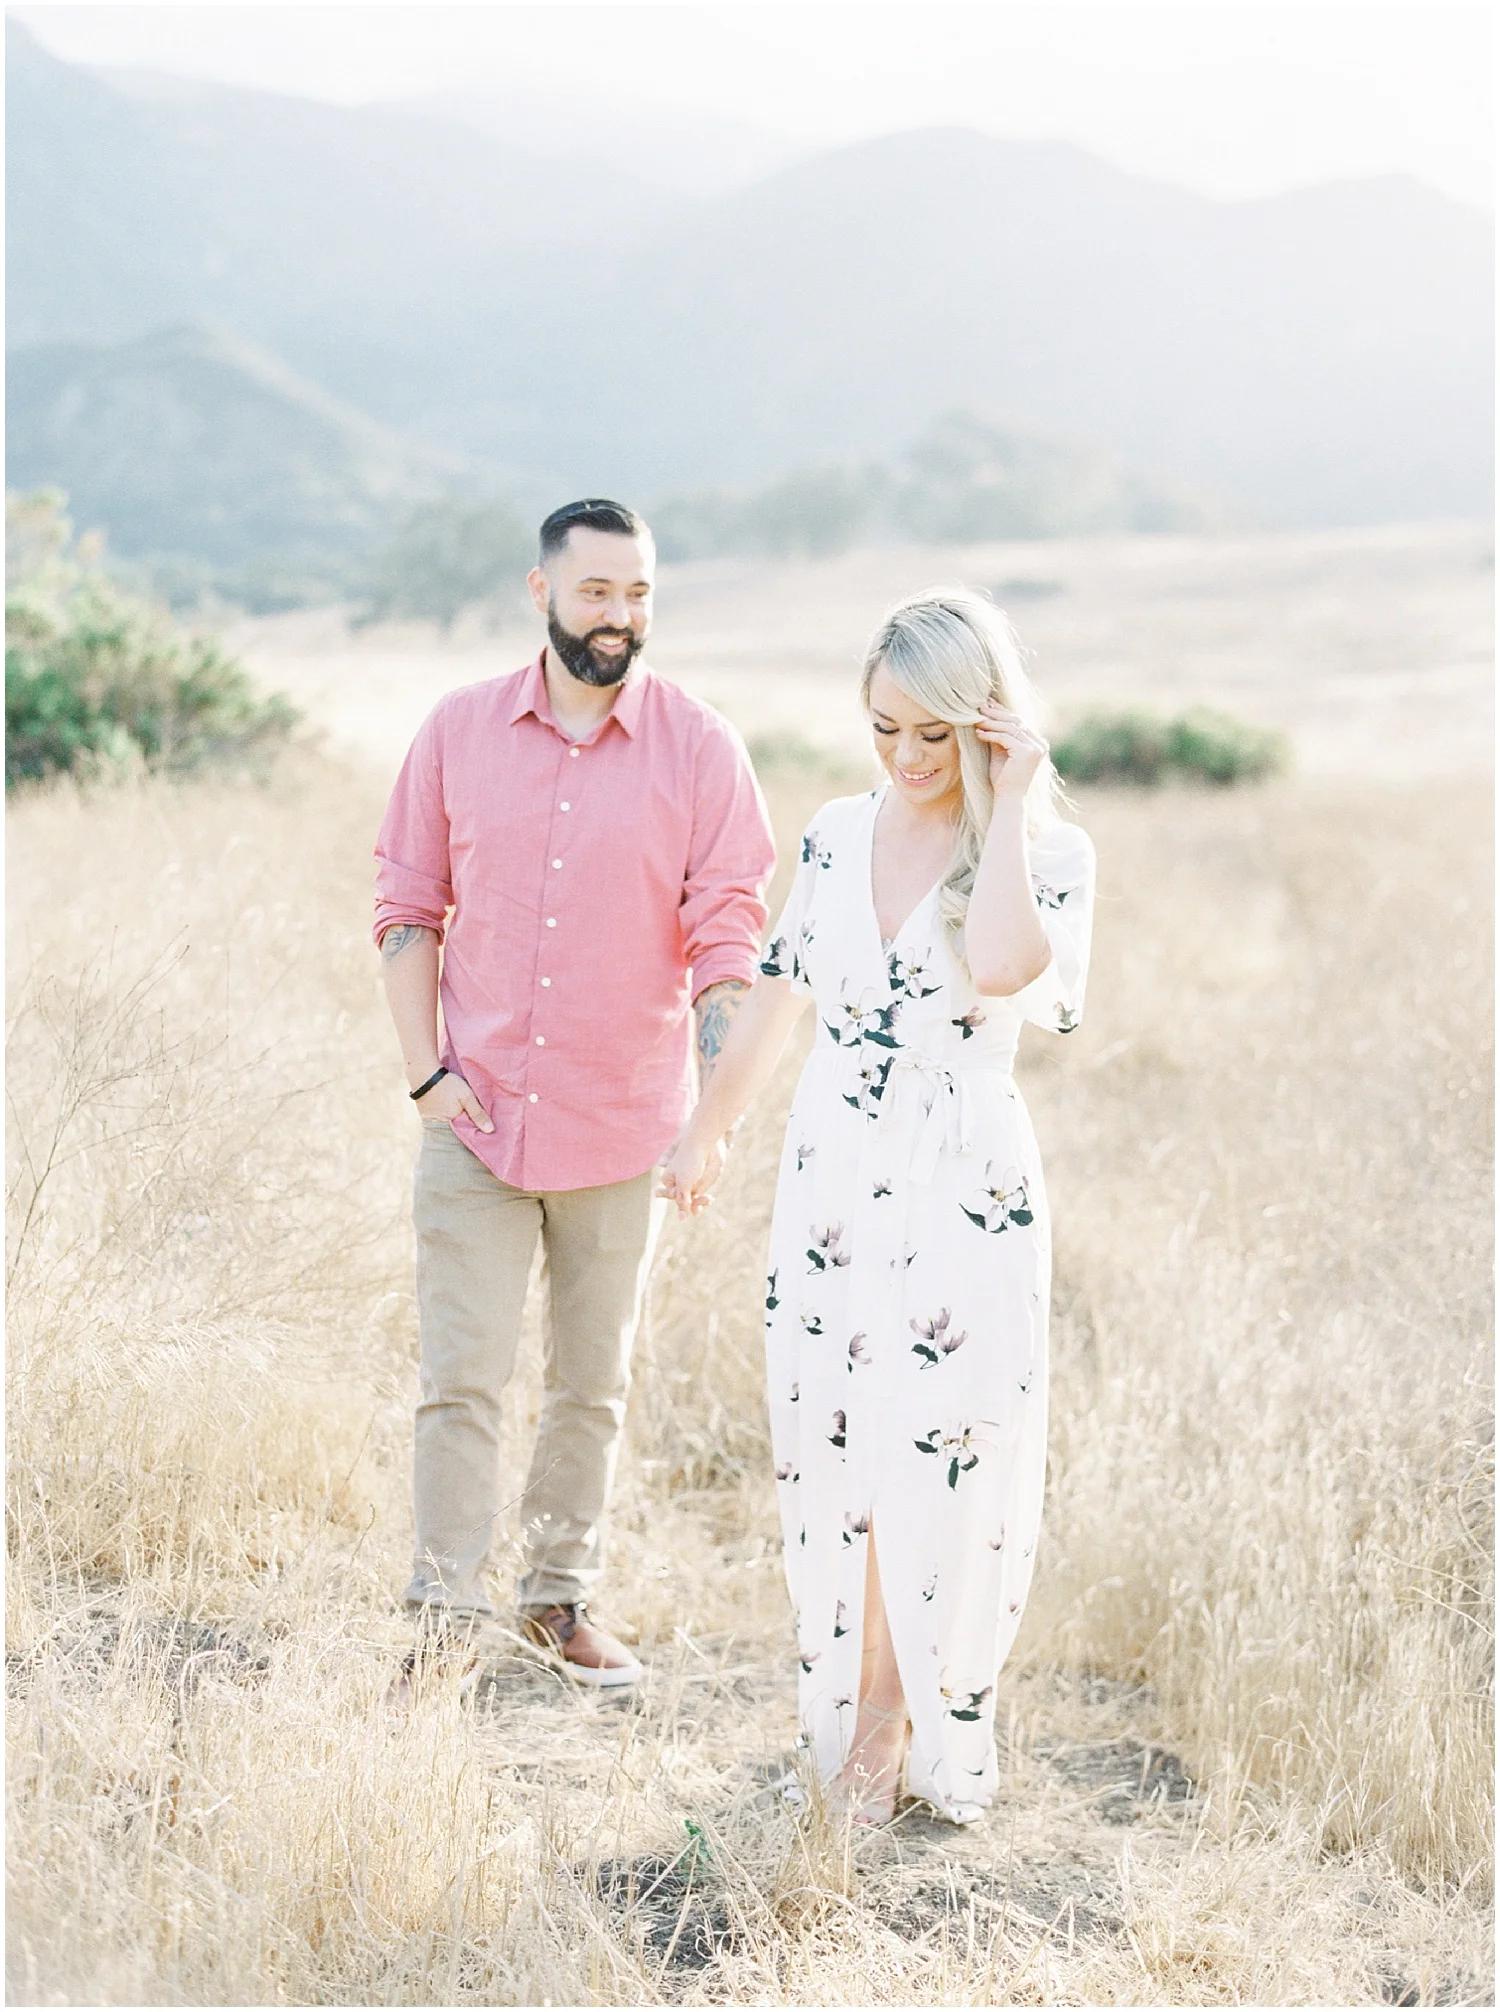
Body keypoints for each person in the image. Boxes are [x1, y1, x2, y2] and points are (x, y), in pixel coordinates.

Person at [659, 587, 1095, 1823]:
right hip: (835, 1172)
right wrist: (704, 1130)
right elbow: (772, 1005)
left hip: (966, 1179)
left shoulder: (1048, 852)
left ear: (986, 726)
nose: (906, 760)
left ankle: (892, 1733)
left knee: (938, 1449)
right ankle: (851, 1714)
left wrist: (1007, 804)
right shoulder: (837, 834)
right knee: (839, 1443)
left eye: (934, 735)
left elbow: (1008, 968)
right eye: (885, 730)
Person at [374, 498, 775, 1693]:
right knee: (462, 1380)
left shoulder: (701, 748)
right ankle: (444, 1615)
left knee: (590, 1384)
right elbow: (406, 903)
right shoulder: (456, 731)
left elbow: (728, 941)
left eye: (640, 592)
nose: (621, 616)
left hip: (619, 1126)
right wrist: (426, 1074)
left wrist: (710, 1118)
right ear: (541, 593)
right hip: (478, 1121)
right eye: (598, 591)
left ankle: (556, 1603)